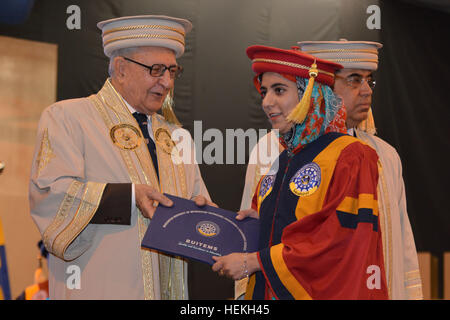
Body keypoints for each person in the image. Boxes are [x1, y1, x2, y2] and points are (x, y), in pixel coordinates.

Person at [29, 15, 212, 300]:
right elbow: (50, 195)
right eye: (156, 70)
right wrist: (129, 198)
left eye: (172, 71)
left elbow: (198, 204)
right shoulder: (69, 118)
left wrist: (212, 219)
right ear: (121, 68)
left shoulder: (177, 137)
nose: (166, 82)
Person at [213, 45, 388, 299]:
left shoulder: (351, 155)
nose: (266, 102)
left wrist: (255, 261)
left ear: (311, 94)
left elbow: (337, 241)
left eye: (279, 90)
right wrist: (258, 220)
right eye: (264, 92)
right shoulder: (281, 161)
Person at [296, 39, 423, 300]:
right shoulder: (278, 152)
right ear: (322, 85)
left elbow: (403, 244)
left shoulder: (385, 156)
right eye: (354, 80)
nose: (366, 91)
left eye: (369, 80)